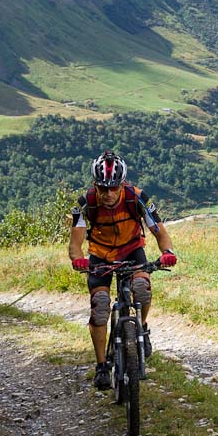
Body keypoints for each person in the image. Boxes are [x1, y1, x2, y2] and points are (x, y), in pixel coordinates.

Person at [68, 150, 177, 390]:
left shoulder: (136, 197)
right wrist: (78, 260)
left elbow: (158, 230)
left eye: (113, 188)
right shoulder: (85, 203)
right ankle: (101, 367)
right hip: (100, 255)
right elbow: (75, 243)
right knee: (100, 307)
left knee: (142, 287)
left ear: (122, 183)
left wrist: (167, 252)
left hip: (132, 249)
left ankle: (143, 327)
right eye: (102, 188)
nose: (108, 194)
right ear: (95, 185)